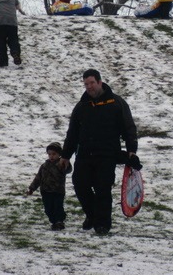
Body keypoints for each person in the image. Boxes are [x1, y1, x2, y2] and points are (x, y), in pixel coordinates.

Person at [59, 69, 138, 235]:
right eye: (86, 84)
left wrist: (131, 150)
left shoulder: (116, 103)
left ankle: (102, 225)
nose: (89, 87)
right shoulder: (81, 106)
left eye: (92, 83)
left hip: (107, 154)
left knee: (103, 189)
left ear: (100, 82)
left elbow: (128, 128)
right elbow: (72, 133)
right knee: (80, 185)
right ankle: (92, 215)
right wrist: (65, 155)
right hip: (85, 154)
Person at [27, 142, 72, 231]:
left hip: (58, 191)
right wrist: (32, 188)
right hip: (46, 191)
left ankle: (59, 221)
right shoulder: (44, 166)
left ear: (59, 154)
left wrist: (66, 162)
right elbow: (38, 178)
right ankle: (54, 221)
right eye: (49, 154)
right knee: (48, 209)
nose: (51, 156)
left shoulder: (61, 164)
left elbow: (68, 169)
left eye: (54, 154)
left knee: (58, 207)